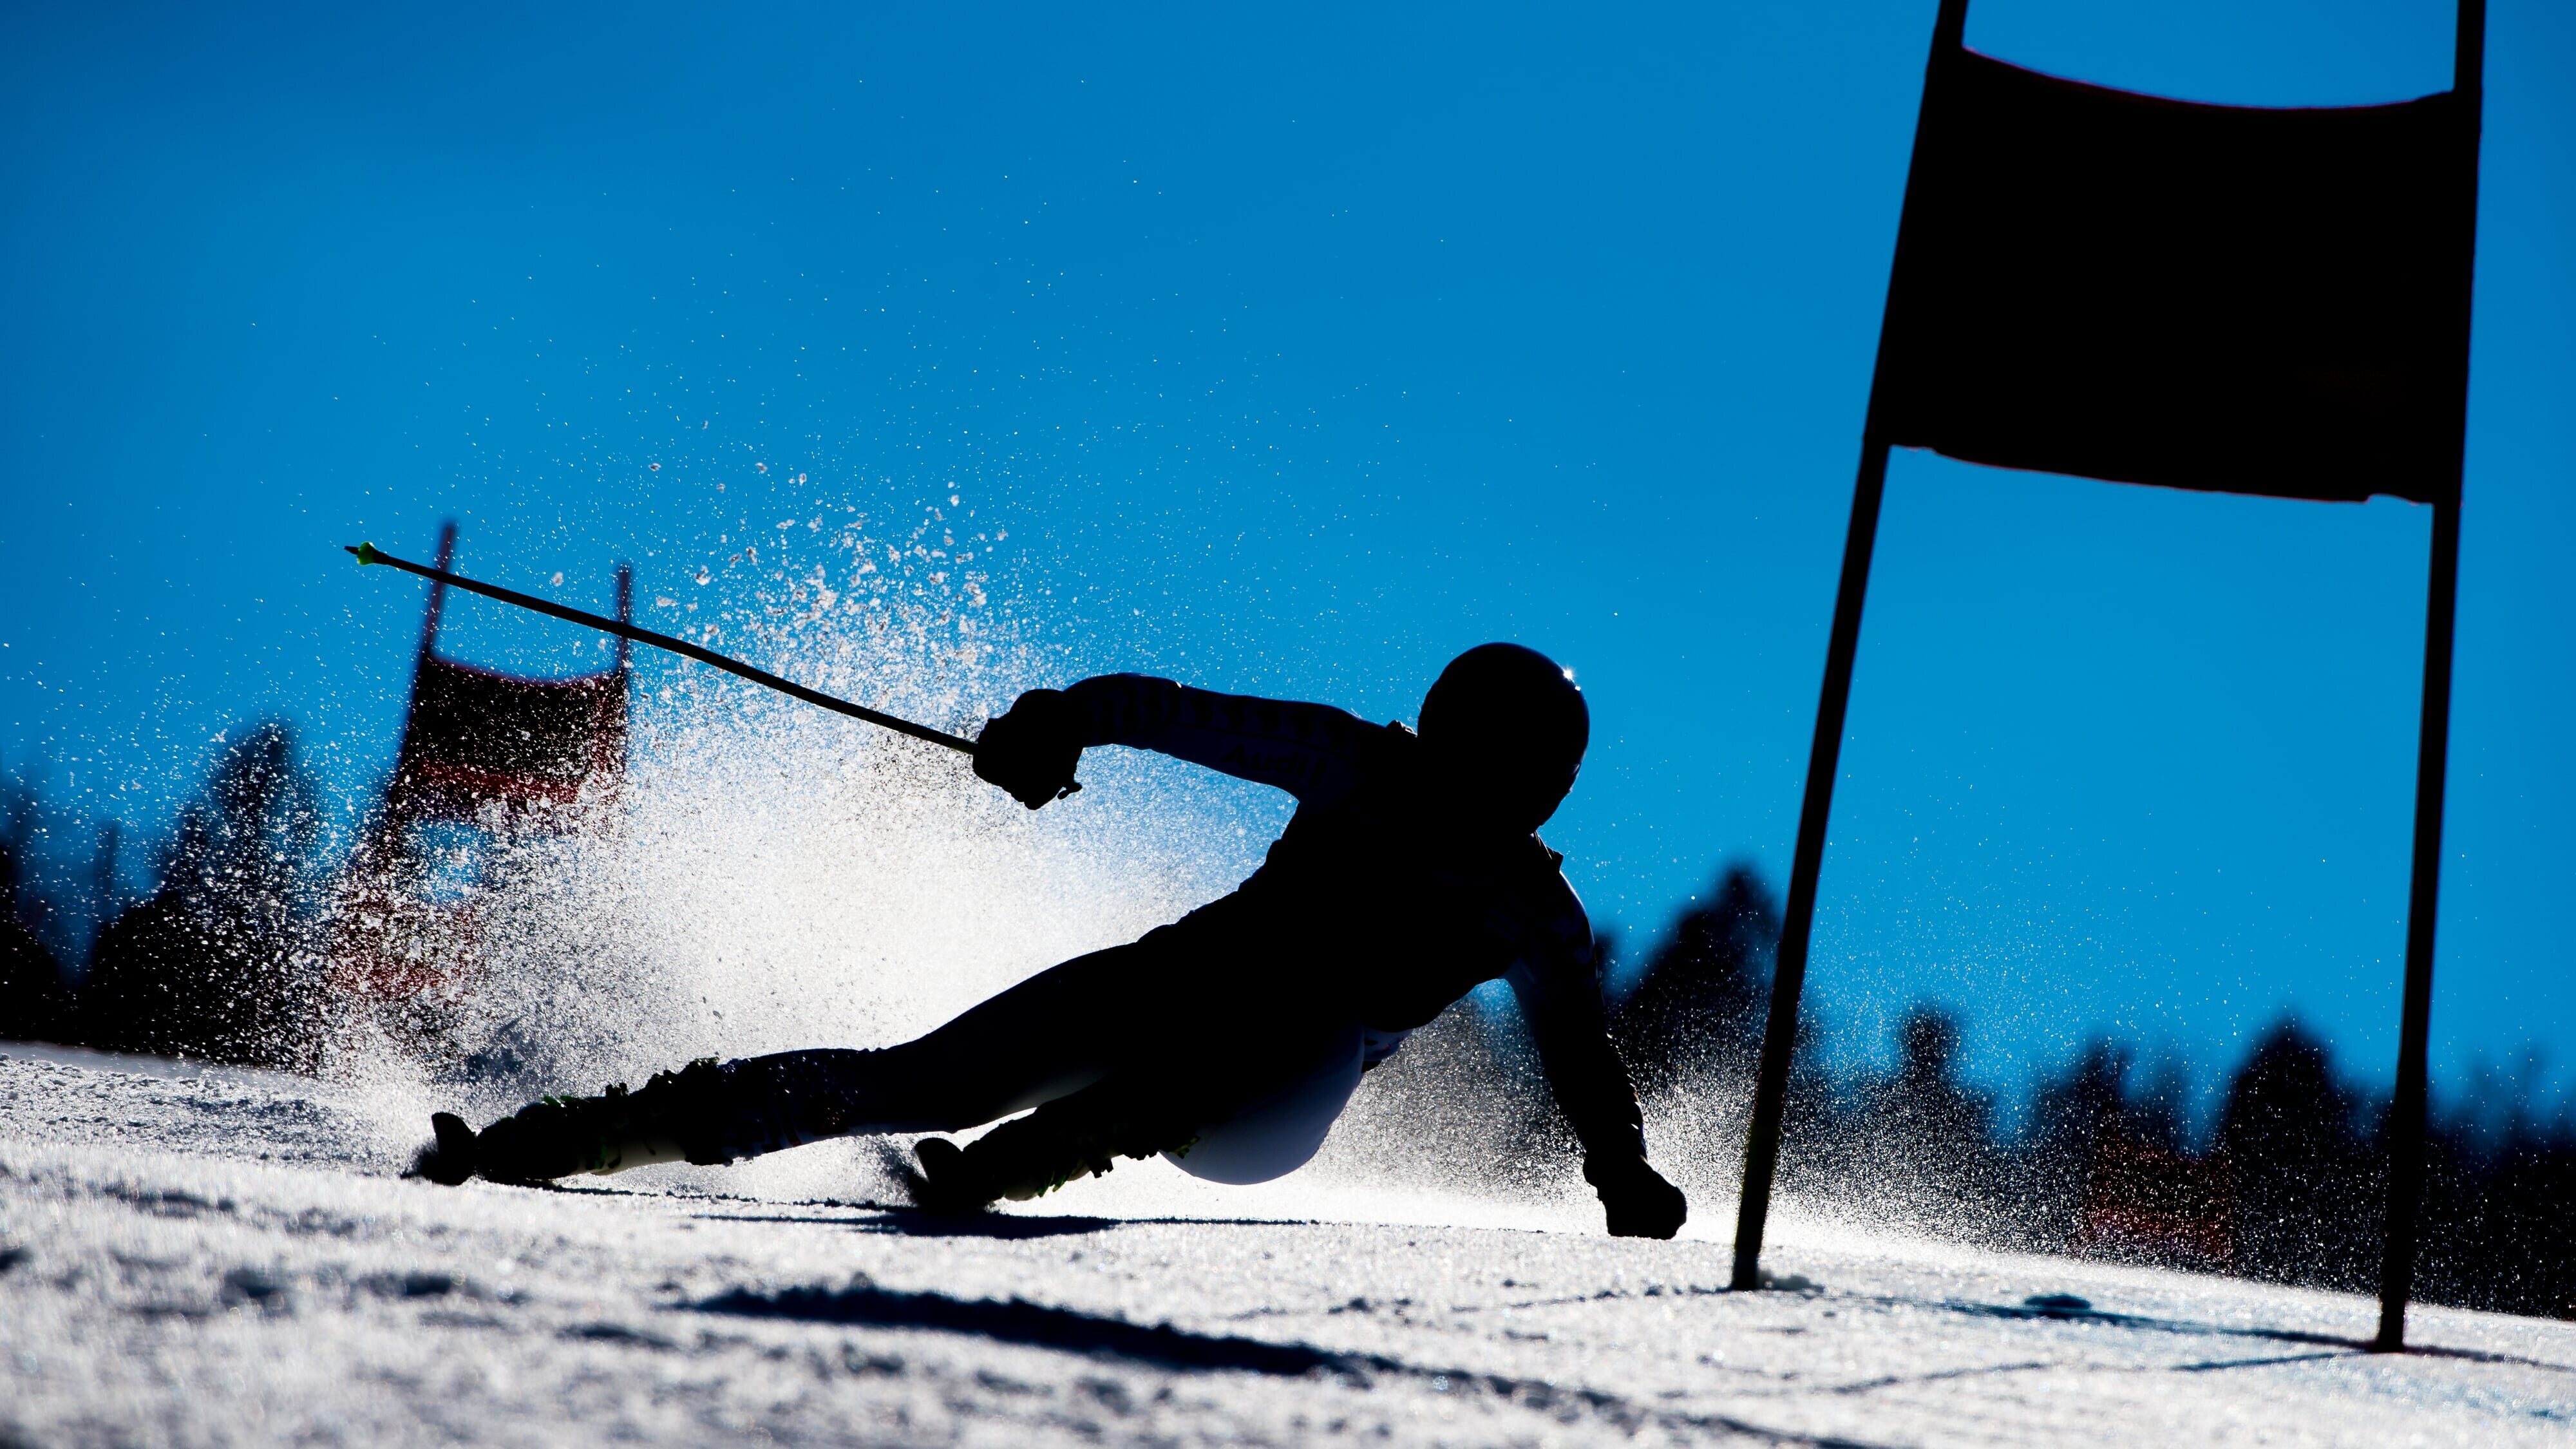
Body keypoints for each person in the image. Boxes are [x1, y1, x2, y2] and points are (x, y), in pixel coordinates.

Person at [413, 643, 1688, 1238]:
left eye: (1522, 782)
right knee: (917, 1076)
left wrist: (1618, 1170)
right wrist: (1054, 726)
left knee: (1300, 1009)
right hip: (1178, 990)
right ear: (1442, 741)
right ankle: (562, 1137)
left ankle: (1043, 1152)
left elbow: (1581, 1057)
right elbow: (1165, 712)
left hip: (1266, 1107)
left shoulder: (1528, 910)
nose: (1485, 805)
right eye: (1482, 767)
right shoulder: (1354, 767)